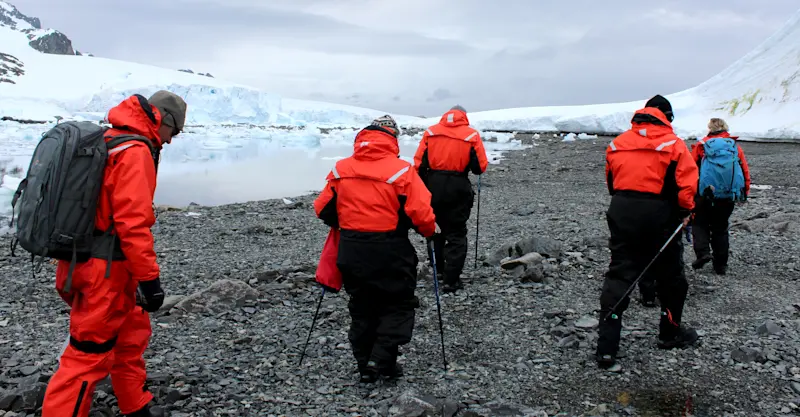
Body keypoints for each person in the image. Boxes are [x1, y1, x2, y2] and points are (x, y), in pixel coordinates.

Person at [42, 91, 187, 417]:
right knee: (87, 355)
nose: (171, 140)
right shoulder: (134, 152)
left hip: (88, 264)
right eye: (174, 132)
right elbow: (132, 225)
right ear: (162, 119)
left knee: (130, 338)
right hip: (104, 273)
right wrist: (150, 280)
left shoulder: (110, 140)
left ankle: (135, 406)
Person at [314, 115, 438, 383]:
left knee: (362, 305)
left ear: (362, 139)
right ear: (393, 139)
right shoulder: (401, 171)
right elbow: (421, 212)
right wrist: (429, 232)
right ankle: (380, 361)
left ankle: (364, 364)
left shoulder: (340, 169)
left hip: (351, 249)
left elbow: (321, 208)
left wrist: (348, 225)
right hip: (390, 249)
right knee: (397, 304)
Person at [596, 94, 699, 370]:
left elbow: (611, 181)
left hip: (622, 209)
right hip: (660, 214)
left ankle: (606, 347)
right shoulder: (675, 145)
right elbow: (687, 188)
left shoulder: (617, 143)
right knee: (671, 276)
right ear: (667, 117)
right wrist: (686, 211)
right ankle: (670, 332)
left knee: (620, 272)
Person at [413, 105, 488, 293]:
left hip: (433, 185)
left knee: (434, 227)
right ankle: (451, 279)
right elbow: (479, 167)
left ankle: (438, 270)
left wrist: (422, 187)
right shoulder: (471, 135)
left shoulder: (431, 132)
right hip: (458, 186)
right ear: (464, 116)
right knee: (456, 232)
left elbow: (419, 164)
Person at [691, 118, 751, 275]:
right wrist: (745, 191)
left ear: (709, 128)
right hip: (726, 194)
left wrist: (690, 193)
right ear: (725, 128)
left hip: (704, 194)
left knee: (699, 223)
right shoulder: (734, 147)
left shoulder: (702, 145)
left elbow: (690, 168)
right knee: (720, 227)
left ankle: (703, 252)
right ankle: (720, 265)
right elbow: (744, 170)